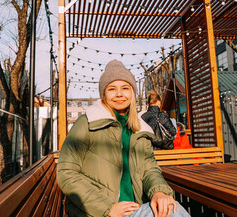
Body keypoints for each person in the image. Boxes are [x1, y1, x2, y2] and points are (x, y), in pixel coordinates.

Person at [57, 60, 190, 217]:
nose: (119, 94)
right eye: (112, 89)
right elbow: (67, 172)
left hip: (136, 209)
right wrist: (107, 208)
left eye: (125, 88)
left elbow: (149, 169)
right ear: (104, 94)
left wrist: (158, 191)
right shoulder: (87, 123)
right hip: (98, 213)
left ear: (132, 93)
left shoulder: (139, 128)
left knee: (171, 208)